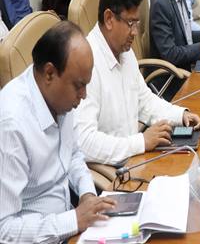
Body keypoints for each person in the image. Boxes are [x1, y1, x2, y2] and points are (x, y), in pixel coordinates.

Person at [0, 21, 117, 243]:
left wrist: (87, 194)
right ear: (49, 73)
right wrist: (74, 220)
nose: (83, 96)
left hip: (69, 226)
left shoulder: (60, 98)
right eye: (79, 86)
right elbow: (4, 229)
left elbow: (72, 154)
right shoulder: (12, 124)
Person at [74, 0, 200, 165]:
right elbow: (84, 142)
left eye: (137, 23)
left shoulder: (124, 51)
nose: (135, 32)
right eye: (130, 23)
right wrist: (141, 142)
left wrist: (180, 116)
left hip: (135, 159)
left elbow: (144, 101)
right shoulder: (87, 64)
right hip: (110, 172)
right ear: (109, 18)